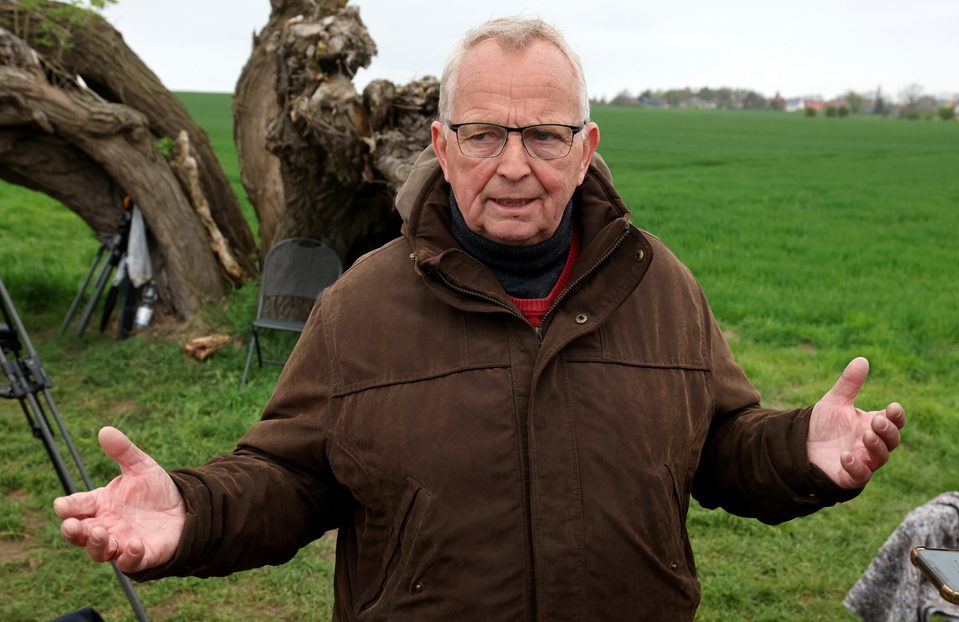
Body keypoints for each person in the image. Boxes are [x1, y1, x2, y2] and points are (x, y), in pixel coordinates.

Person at [54, 16, 906, 621]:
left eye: (544, 136)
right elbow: (289, 479)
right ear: (442, 145)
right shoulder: (360, 308)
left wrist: (798, 448)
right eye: (484, 134)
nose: (514, 165)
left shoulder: (660, 288)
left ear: (586, 148)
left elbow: (720, 446)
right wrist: (192, 511)